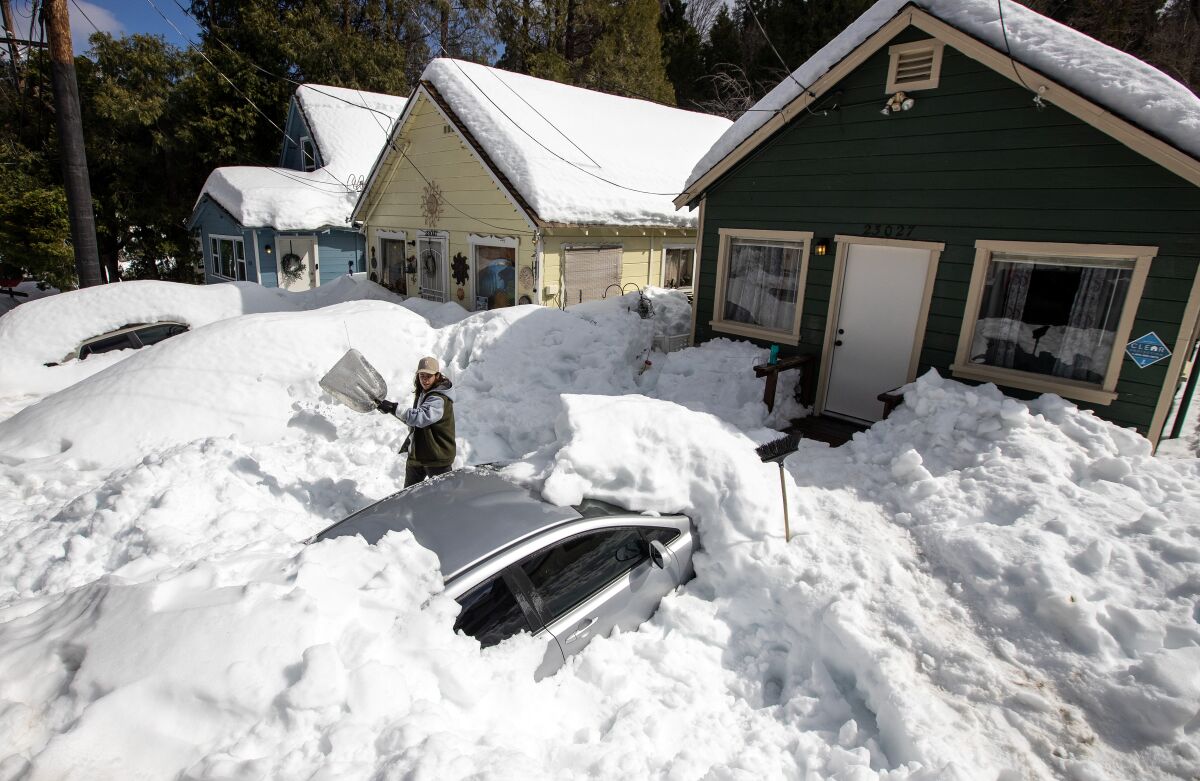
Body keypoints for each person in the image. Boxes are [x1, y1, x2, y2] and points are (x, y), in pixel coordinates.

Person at [376, 356, 456, 488]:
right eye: (421, 375)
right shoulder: (423, 393)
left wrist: (394, 408)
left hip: (437, 458)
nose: (424, 380)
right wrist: (391, 410)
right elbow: (414, 421)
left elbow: (420, 418)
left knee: (445, 498)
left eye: (428, 376)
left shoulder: (438, 398)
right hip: (418, 455)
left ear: (437, 376)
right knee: (409, 495)